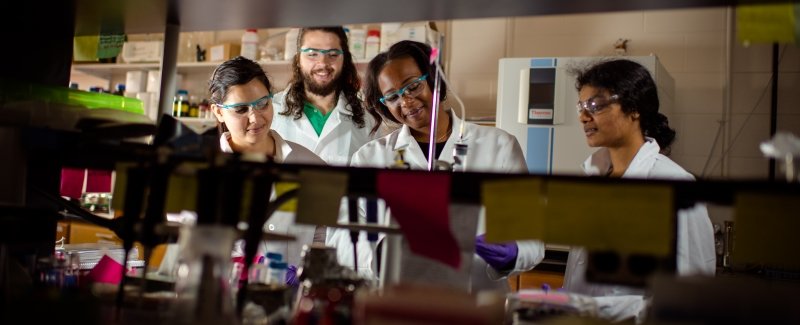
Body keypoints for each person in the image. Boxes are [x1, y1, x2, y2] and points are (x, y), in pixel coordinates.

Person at [331, 40, 544, 291]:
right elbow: (341, 237)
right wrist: (383, 256)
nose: (406, 101)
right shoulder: (369, 158)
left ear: (435, 78)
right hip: (400, 301)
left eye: (413, 85)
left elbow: (532, 237)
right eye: (392, 97)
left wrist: (514, 252)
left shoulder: (499, 146)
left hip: (475, 301)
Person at [566, 59, 716, 321]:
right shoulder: (593, 178)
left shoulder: (673, 185)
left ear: (634, 108)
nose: (583, 116)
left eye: (595, 105)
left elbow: (690, 296)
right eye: (582, 106)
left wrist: (593, 310)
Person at [159, 57, 325, 285]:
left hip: (289, 302)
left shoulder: (311, 165)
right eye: (240, 109)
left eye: (263, 104)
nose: (255, 118)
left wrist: (307, 277)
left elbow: (321, 235)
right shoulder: (193, 170)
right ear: (218, 112)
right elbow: (185, 242)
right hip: (219, 297)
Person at [271, 26, 382, 166]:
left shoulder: (369, 118)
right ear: (298, 58)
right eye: (312, 54)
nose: (323, 63)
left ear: (344, 60)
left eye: (333, 54)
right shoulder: (271, 111)